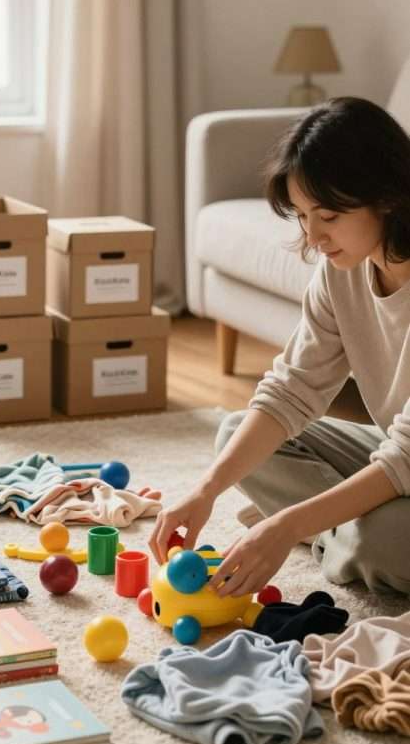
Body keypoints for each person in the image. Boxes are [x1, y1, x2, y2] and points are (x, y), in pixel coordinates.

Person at [149, 96, 410, 597]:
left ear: (388, 197)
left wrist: (286, 525)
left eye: (329, 216)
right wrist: (206, 490)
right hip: (399, 453)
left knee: (385, 540)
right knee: (235, 438)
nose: (313, 237)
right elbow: (292, 390)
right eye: (303, 216)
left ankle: (335, 535)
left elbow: (408, 456)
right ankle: (338, 533)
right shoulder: (343, 271)